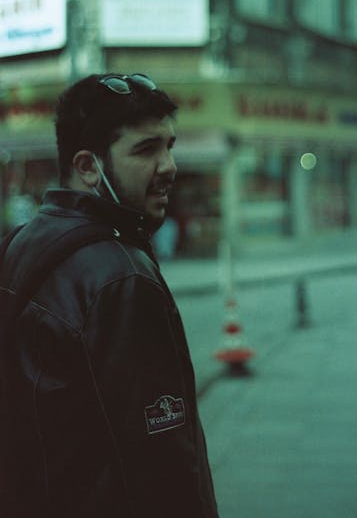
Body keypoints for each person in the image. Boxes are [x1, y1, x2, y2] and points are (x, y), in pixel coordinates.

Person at [0, 73, 218, 517]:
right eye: (146, 149)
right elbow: (163, 464)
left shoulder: (21, 241)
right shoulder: (121, 278)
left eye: (169, 145)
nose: (170, 166)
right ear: (87, 167)